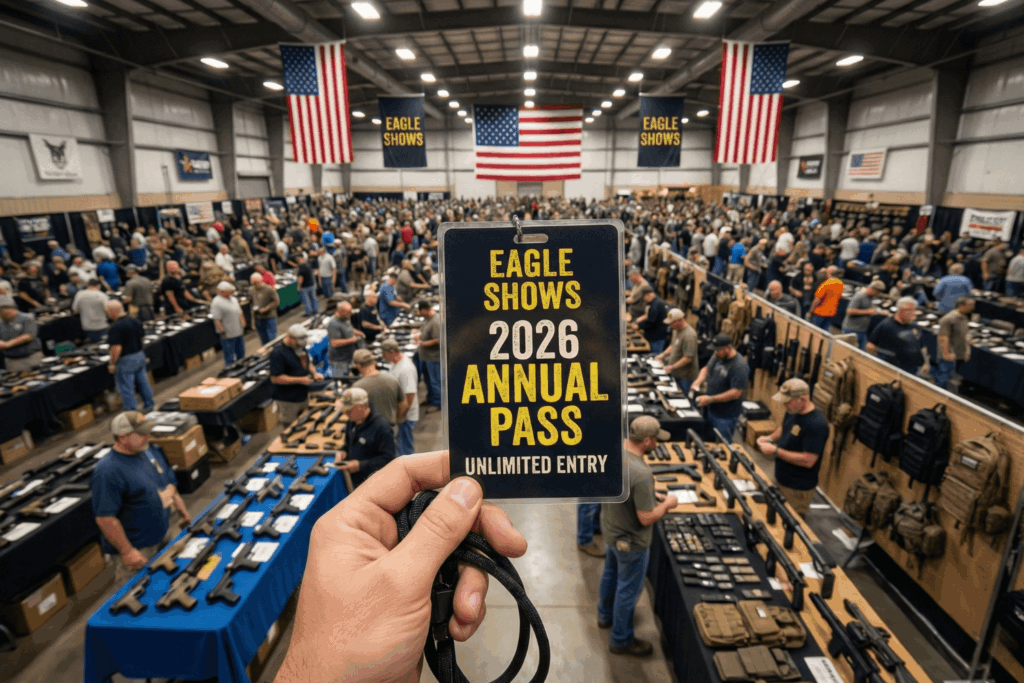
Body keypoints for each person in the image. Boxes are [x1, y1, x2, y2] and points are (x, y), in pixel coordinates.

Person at [599, 416, 678, 657]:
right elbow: (645, 518)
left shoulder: (612, 451)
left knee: (610, 574)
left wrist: (650, 495)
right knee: (628, 590)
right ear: (646, 441)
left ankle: (604, 616)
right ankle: (621, 640)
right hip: (632, 542)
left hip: (611, 530)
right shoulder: (642, 473)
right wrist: (667, 505)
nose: (657, 443)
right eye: (655, 440)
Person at [91, 411, 191, 584]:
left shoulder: (148, 451)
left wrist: (180, 507)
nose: (148, 436)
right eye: (142, 433)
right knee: (139, 592)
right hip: (140, 547)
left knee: (171, 581)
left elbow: (166, 482)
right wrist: (127, 551)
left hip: (164, 532)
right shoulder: (108, 471)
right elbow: (105, 518)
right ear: (122, 437)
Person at [756, 379, 828, 517]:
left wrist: (775, 450)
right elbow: (785, 428)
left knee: (789, 523)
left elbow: (809, 460)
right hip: (781, 477)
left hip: (797, 487)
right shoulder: (793, 411)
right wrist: (770, 438)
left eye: (787, 402)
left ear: (802, 399)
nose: (784, 406)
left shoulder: (816, 425)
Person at [333, 387, 396, 487]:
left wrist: (360, 465)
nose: (346, 414)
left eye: (349, 410)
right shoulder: (352, 420)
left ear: (361, 406)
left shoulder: (382, 427)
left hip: (375, 482)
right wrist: (343, 452)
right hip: (356, 480)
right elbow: (348, 443)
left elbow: (388, 458)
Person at [692, 333, 749, 440]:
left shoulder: (739, 366)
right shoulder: (718, 355)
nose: (715, 352)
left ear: (728, 348)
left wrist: (710, 399)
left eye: (718, 350)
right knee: (708, 442)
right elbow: (706, 369)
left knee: (722, 447)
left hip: (725, 416)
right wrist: (698, 382)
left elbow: (736, 393)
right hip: (711, 409)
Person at [106, 301, 154, 412]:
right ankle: (149, 405)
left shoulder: (115, 327)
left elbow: (116, 348)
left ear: (112, 312)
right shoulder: (135, 320)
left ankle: (131, 412)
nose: (107, 314)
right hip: (139, 355)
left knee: (126, 387)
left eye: (107, 312)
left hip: (126, 360)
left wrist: (112, 363)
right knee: (143, 383)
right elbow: (142, 338)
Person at [270, 324, 323, 425]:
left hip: (303, 395)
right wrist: (301, 380)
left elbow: (308, 361)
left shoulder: (299, 346)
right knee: (291, 427)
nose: (301, 345)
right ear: (290, 338)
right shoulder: (278, 353)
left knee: (304, 422)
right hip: (288, 400)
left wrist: (314, 373)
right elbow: (275, 378)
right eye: (299, 343)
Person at [867, 297, 925, 376]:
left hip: (913, 370)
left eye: (914, 310)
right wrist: (878, 365)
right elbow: (870, 346)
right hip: (894, 371)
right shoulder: (886, 325)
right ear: (900, 310)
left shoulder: (914, 326)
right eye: (910, 310)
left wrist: (925, 363)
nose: (914, 313)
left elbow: (921, 346)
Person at [382, 337, 418, 455]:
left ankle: (411, 472)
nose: (383, 357)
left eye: (384, 354)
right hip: (401, 412)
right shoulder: (396, 363)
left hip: (406, 415)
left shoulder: (405, 369)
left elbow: (410, 396)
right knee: (401, 444)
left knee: (405, 449)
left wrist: (400, 417)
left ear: (392, 352)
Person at [352, 348, 405, 428]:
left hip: (369, 430)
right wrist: (397, 419)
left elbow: (356, 413)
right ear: (374, 362)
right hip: (390, 427)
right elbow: (403, 403)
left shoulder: (357, 387)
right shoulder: (392, 379)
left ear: (358, 366)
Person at [655, 308, 698, 394]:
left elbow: (688, 358)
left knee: (683, 400)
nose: (670, 325)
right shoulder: (676, 330)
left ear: (679, 320)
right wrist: (663, 354)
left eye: (672, 323)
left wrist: (672, 367)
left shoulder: (689, 335)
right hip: (676, 373)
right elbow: (673, 345)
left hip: (685, 377)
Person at [934, 296, 974, 390]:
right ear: (961, 305)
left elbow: (965, 335)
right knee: (943, 380)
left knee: (950, 380)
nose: (972, 307)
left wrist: (967, 351)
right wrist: (946, 353)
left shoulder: (964, 317)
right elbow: (943, 337)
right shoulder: (949, 319)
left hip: (958, 354)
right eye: (970, 305)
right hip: (949, 355)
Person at [0, 294, 43, 371]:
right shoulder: (1, 323)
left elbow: (29, 336)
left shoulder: (27, 317)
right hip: (11, 360)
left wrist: (7, 344)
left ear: (7, 308)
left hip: (30, 357)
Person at [841, 279, 885, 350]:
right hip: (851, 330)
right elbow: (849, 311)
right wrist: (868, 312)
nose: (877, 294)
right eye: (877, 292)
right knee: (848, 352)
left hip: (862, 330)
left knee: (859, 353)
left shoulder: (871, 297)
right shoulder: (860, 296)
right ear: (873, 289)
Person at [210, 281, 247, 366]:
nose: (232, 293)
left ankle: (242, 367)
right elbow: (216, 319)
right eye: (230, 291)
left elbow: (239, 311)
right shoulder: (216, 302)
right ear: (222, 292)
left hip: (238, 331)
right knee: (229, 356)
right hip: (227, 334)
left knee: (241, 353)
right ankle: (231, 373)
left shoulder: (233, 299)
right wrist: (221, 330)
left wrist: (243, 321)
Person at [418, 300, 442, 412]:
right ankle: (430, 398)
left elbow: (439, 339)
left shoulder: (435, 321)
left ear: (424, 310)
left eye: (420, 311)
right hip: (427, 357)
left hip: (434, 357)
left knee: (435, 381)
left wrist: (423, 343)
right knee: (428, 380)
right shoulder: (428, 319)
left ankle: (438, 403)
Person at [327, 300, 360, 377]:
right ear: (340, 311)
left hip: (349, 355)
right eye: (348, 312)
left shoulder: (345, 317)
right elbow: (334, 343)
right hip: (339, 360)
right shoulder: (333, 324)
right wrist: (352, 340)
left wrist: (356, 332)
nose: (350, 313)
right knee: (341, 380)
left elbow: (348, 328)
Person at [634, 289, 668, 355]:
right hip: (656, 336)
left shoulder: (655, 305)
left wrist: (639, 326)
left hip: (657, 337)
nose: (644, 300)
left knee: (654, 356)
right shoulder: (656, 302)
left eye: (644, 298)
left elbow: (651, 322)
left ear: (648, 295)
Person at [809, 265, 843, 331]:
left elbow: (817, 300)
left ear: (828, 272)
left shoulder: (826, 284)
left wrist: (810, 311)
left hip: (819, 313)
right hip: (830, 313)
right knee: (825, 333)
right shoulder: (840, 283)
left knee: (814, 332)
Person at [250, 273, 281, 345]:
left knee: (272, 339)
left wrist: (266, 308)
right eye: (254, 283)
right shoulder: (252, 290)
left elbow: (276, 302)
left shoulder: (269, 289)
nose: (255, 285)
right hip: (258, 318)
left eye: (257, 282)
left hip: (269, 317)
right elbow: (252, 303)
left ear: (261, 280)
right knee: (263, 339)